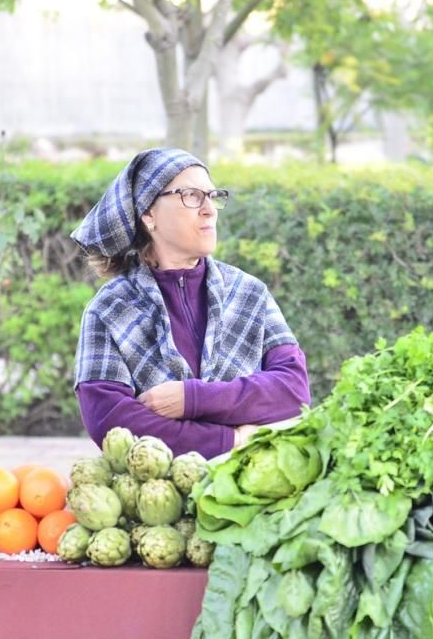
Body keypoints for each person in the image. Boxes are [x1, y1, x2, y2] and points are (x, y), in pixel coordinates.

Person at [71, 148, 310, 459]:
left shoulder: (249, 293)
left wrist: (192, 398)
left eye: (213, 196)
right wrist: (232, 440)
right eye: (192, 196)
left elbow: (294, 391)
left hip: (252, 493)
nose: (209, 209)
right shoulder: (109, 309)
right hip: (153, 497)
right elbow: (110, 420)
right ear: (149, 215)